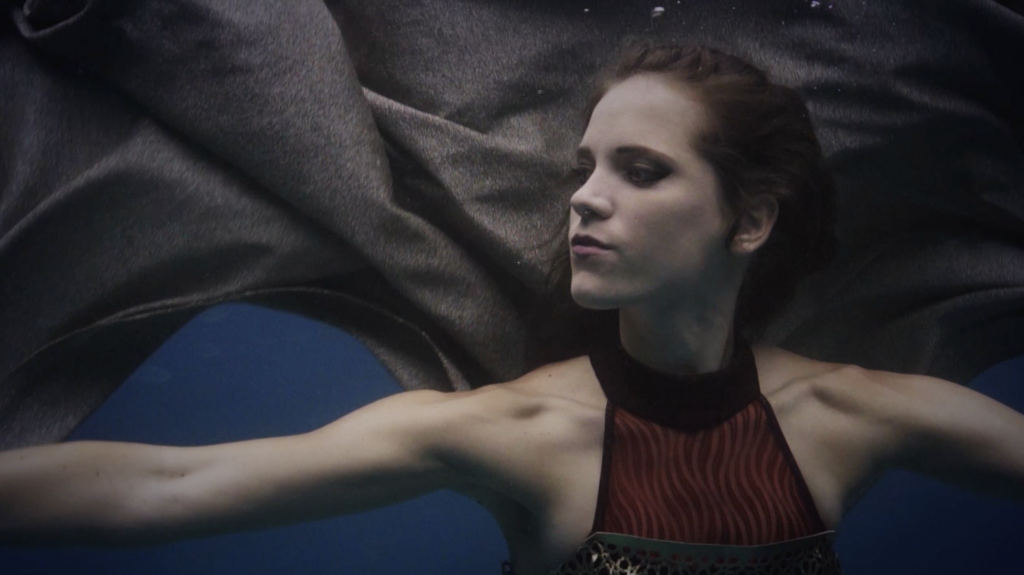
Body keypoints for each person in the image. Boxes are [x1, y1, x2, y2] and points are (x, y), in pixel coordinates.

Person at [1, 40, 1022, 575]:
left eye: (640, 170)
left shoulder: (856, 414)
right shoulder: (520, 428)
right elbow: (166, 484)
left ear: (749, 219)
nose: (584, 196)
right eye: (585, 166)